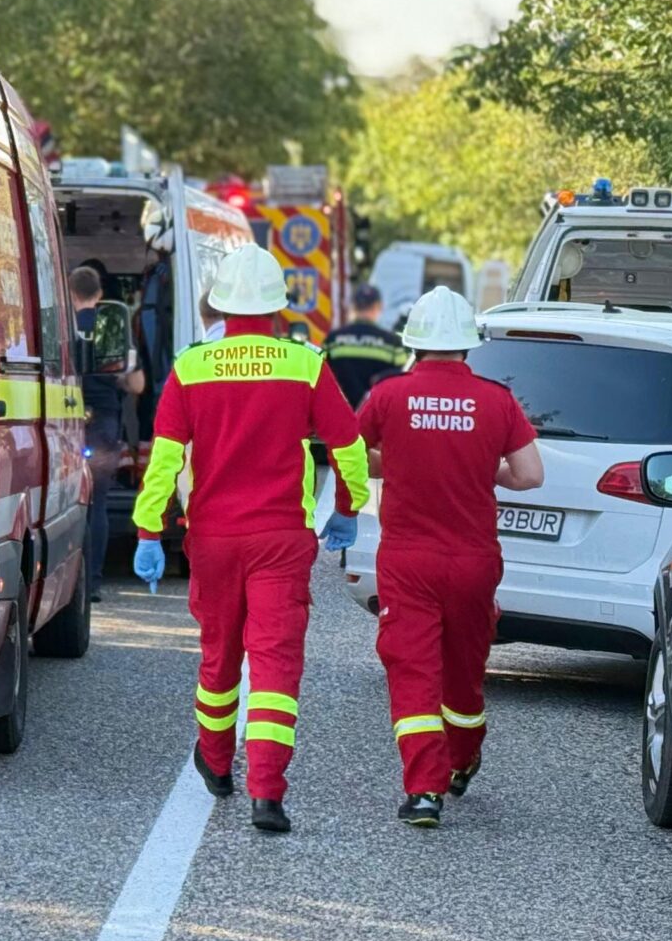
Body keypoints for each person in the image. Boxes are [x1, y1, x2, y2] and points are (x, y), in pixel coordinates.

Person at [131, 243, 368, 833]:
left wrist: (149, 528)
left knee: (220, 657)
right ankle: (267, 794)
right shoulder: (305, 364)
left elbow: (164, 460)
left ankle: (215, 764)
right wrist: (348, 508)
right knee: (274, 665)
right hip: (281, 539)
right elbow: (349, 446)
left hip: (213, 539)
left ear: (219, 304)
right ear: (278, 307)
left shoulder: (191, 367)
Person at [350, 287, 544, 829]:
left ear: (413, 343)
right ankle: (462, 757)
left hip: (408, 559)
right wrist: (487, 470)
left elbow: (350, 454)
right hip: (473, 559)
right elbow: (530, 475)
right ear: (468, 345)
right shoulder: (496, 400)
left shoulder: (388, 396)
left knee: (413, 670)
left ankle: (423, 792)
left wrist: (395, 463)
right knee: (463, 673)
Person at [70, 264, 144, 601]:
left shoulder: (58, 325)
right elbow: (137, 384)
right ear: (100, 293)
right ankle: (93, 583)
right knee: (97, 502)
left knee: (66, 504)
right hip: (104, 424)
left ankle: (68, 583)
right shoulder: (115, 329)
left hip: (66, 420)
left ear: (70, 293)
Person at [323, 281, 406, 412]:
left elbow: (321, 377)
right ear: (378, 307)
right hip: (376, 416)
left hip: (339, 415)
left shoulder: (333, 340)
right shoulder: (392, 343)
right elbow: (401, 380)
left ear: (353, 306)